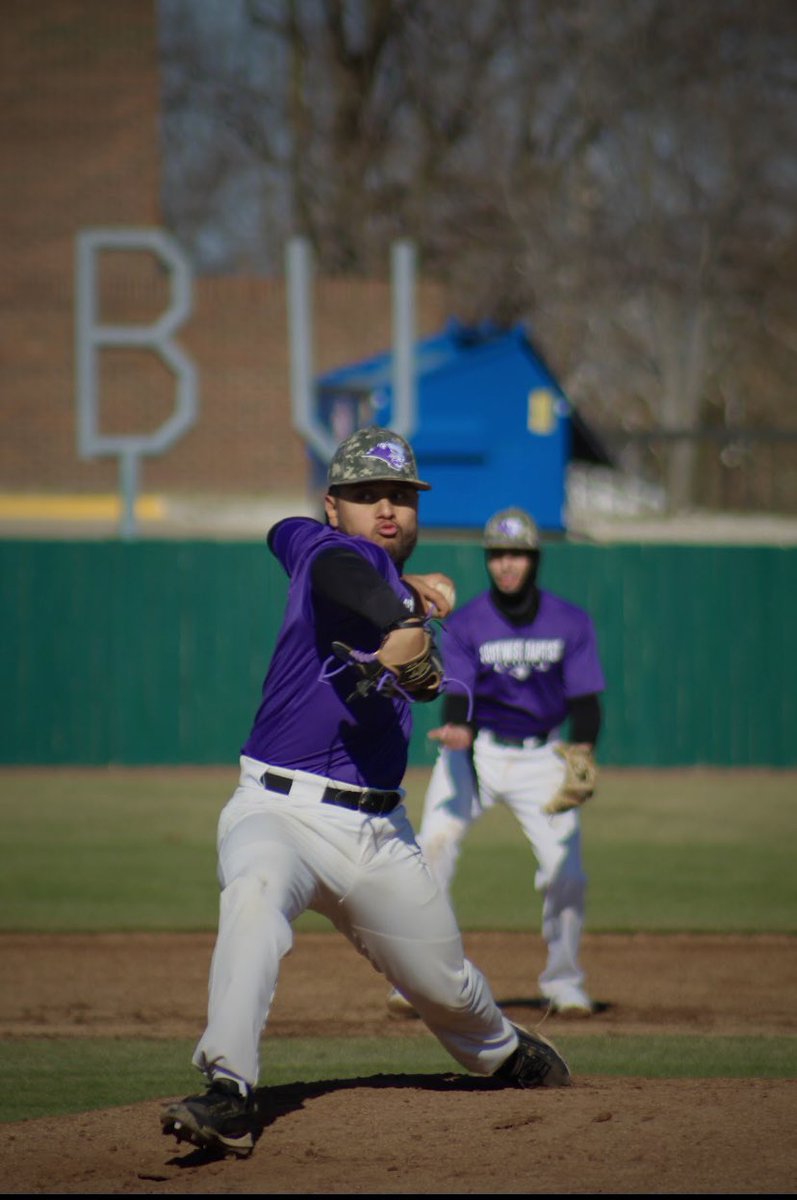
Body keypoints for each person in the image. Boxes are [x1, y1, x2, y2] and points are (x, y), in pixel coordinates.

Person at [161, 431, 571, 1158]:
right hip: (277, 811)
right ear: (332, 505)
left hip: (378, 837)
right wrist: (402, 612)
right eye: (365, 495)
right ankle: (229, 1089)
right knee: (254, 896)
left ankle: (504, 1049)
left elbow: (401, 628)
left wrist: (406, 604)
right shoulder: (319, 547)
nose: (386, 508)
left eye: (400, 496)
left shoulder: (391, 578)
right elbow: (323, 561)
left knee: (448, 992)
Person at [387, 506, 605, 1021]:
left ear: (534, 559)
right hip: (476, 753)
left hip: (544, 757)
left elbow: (585, 699)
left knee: (567, 872)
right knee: (433, 850)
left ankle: (565, 981)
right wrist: (457, 728)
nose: (507, 564)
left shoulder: (570, 621)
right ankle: (422, 979)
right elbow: (458, 691)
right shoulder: (468, 623)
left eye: (517, 554)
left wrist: (583, 749)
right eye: (497, 555)